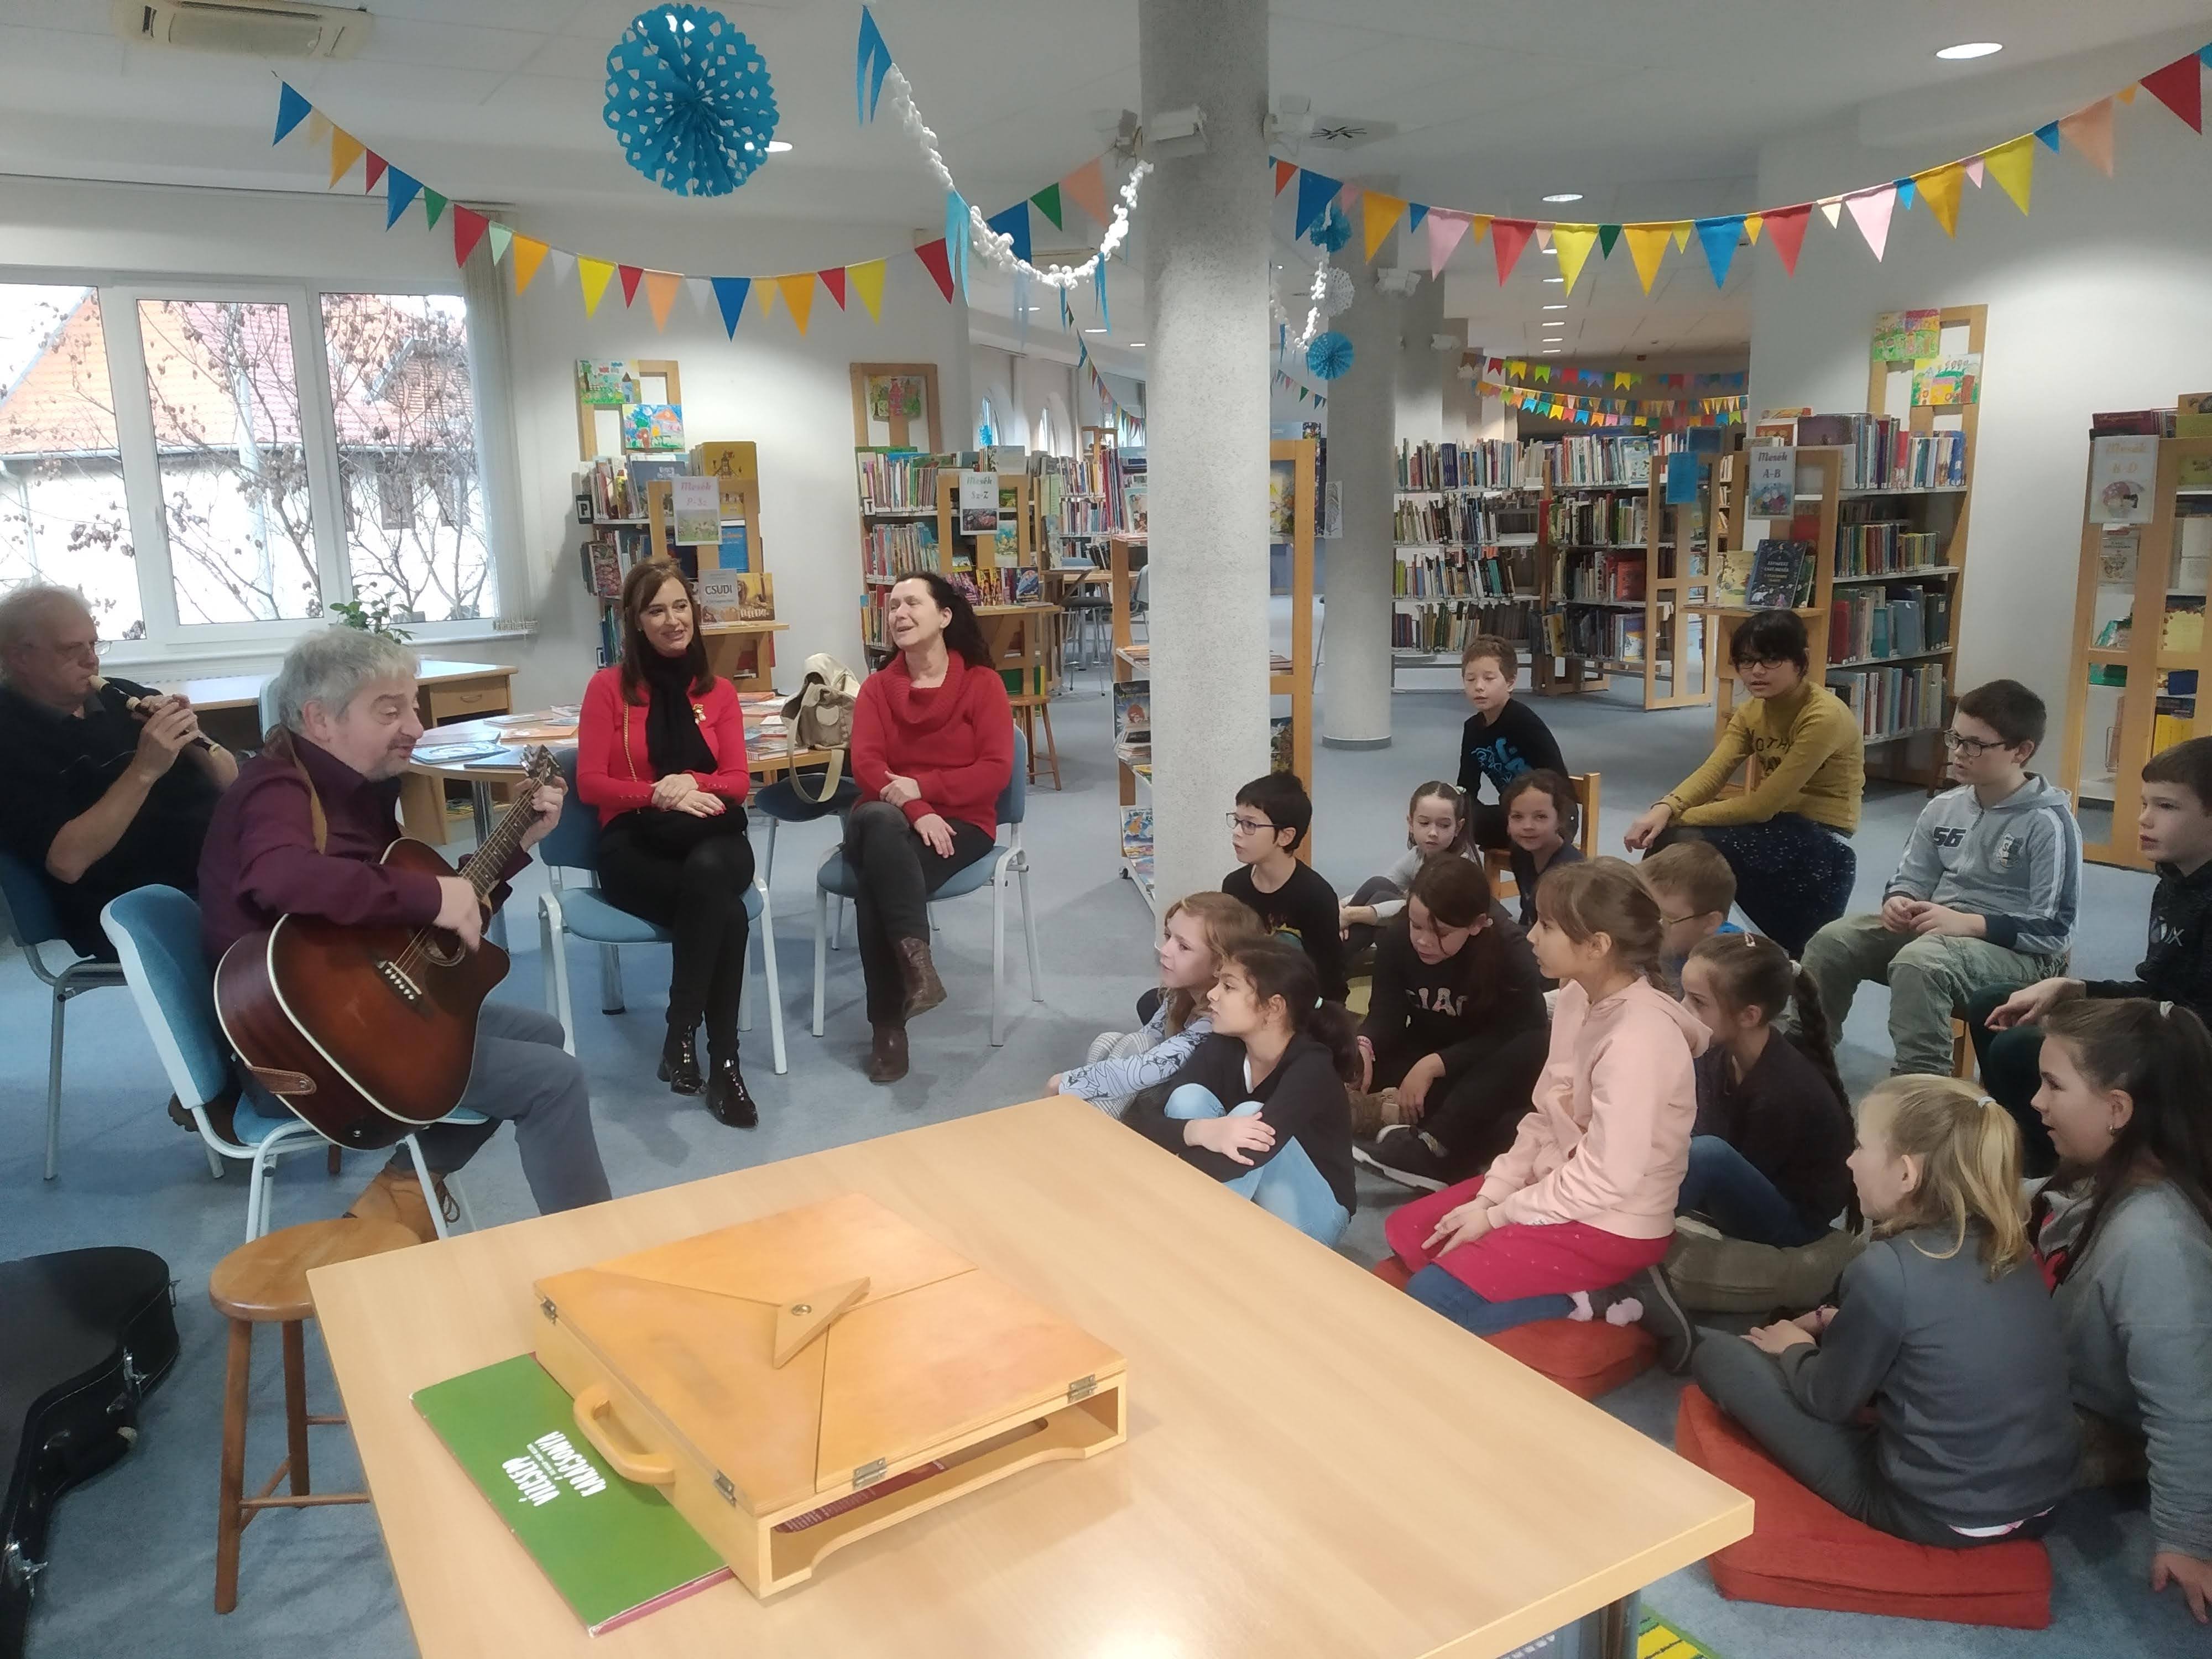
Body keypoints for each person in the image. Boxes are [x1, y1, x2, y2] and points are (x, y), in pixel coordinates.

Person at [198, 628, 611, 1238]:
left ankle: (397, 1200)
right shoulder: (279, 787)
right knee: (555, 1080)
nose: (415, 727)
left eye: (412, 707)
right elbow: (280, 877)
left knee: (543, 1034)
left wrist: (517, 841)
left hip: (357, 1002)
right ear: (320, 719)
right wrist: (434, 895)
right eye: (389, 711)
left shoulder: (354, 789)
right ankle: (594, 1252)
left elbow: (418, 912)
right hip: (309, 1052)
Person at [1692, 1075, 2080, 1548]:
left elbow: (1827, 1399)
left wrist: (1794, 1347)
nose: (1850, 1161)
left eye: (1860, 1146)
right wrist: (1832, 1323)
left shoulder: (1886, 1269)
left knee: (1717, 1354)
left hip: (1935, 1513)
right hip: (2044, 1505)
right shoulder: (2011, 1246)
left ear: (1906, 1174)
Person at [1383, 859, 1706, 1368]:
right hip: (1561, 1182)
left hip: (1614, 1221)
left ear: (1597, 946)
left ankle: (1609, 1295)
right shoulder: (1578, 996)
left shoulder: (1639, 1041)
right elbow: (1543, 1116)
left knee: (1430, 1299)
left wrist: (1498, 1216)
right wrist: (1492, 1193)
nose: (1531, 935)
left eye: (1548, 925)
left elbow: (1609, 1178)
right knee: (1414, 1234)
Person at [2030, 999, 2212, 1621]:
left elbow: (2188, 1409)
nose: (2036, 1101)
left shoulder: (2156, 1243)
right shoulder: (2106, 1170)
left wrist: (2188, 1540)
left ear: (2117, 1110)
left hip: (2107, 1421)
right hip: (2068, 1377)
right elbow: (2046, 1204)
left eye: (2053, 1085)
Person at [1803, 680, 2080, 1078]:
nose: (1958, 753)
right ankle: (1807, 1057)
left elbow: (2056, 930)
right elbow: (1911, 877)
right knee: (1834, 941)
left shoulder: (2049, 823)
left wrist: (1969, 924)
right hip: (1939, 933)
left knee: (1920, 964)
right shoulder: (1944, 806)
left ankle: (1923, 1084)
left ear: (2021, 751)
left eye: (1976, 745)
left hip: (2020, 956)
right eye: (1955, 738)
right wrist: (1899, 900)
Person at [1974, 737, 2212, 1176]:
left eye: (2167, 807)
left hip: (2190, 1051)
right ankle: (2040, 1152)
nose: (2144, 818)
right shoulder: (2175, 881)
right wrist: (2075, 989)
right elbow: (2158, 987)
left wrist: (2098, 1017)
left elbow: (2190, 1021)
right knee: (1997, 1003)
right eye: (2145, 803)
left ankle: (2066, 1173)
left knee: (2020, 1046)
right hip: (2165, 1020)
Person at [576, 561, 759, 1128]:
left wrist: (690, 782)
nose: (672, 620)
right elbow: (590, 783)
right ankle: (724, 1065)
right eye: (656, 610)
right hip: (633, 842)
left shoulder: (718, 692)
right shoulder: (609, 689)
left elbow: (737, 782)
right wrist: (657, 794)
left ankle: (680, 1034)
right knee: (725, 912)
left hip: (712, 833)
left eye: (681, 607)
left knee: (711, 876)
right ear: (635, 621)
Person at [0, 582, 237, 959]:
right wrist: (144, 770)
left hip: (222, 870)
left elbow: (231, 781)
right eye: (71, 649)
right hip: (135, 906)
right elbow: (67, 862)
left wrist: (193, 738)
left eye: (94, 645)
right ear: (20, 658)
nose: (91, 661)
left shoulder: (122, 695)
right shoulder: (11, 736)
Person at [846, 572, 1014, 1084]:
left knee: (876, 885)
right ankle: (918, 969)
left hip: (963, 824)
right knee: (879, 821)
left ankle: (887, 1028)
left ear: (944, 616)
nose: (899, 613)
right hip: (885, 817)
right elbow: (867, 768)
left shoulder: (982, 685)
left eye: (912, 603)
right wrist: (918, 808)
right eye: (893, 605)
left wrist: (924, 787)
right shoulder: (877, 688)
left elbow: (995, 771)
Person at [1624, 610, 1863, 957]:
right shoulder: (1752, 712)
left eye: (1771, 659)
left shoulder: (1823, 716)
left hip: (1822, 833)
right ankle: (1660, 938)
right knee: (1674, 837)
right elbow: (1713, 773)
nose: (1756, 672)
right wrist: (1665, 807)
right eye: (1747, 661)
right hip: (1778, 825)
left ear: (1801, 661)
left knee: (1681, 835)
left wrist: (1676, 817)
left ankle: (1643, 941)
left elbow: (1761, 806)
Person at [1124, 937, 1359, 1246]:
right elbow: (1146, 1122)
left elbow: (1247, 1154)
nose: (1212, 994)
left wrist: (1165, 1167)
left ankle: (1192, 1239)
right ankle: (1197, 1232)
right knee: (1188, 1098)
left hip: (1317, 1215)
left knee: (1249, 1120)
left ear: (1273, 1008)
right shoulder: (1223, 1044)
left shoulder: (1312, 1068)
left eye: (1229, 987)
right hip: (1244, 1186)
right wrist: (1199, 1131)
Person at [1352, 853, 1548, 1192]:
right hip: (1429, 1046)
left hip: (1488, 1060)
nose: (1423, 940)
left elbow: (1521, 1037)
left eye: (1441, 932)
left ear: (1477, 924)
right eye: (1416, 925)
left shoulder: (1510, 953)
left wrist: (1437, 1064)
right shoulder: (1397, 941)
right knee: (1347, 1064)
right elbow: (1386, 1015)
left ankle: (1434, 1145)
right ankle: (1416, 1125)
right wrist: (1363, 1046)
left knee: (1513, 1071)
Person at [1674, 933, 1853, 1247]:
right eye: (1684, 996)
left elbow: (1731, 1169)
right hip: (1742, 1181)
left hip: (1790, 1218)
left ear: (1749, 1016)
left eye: (1698, 1002)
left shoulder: (1783, 1092)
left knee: (1708, 1155)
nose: (1681, 1009)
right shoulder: (1714, 1051)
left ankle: (1620, 1232)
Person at [1051, 891, 1262, 1119]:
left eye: (1183, 947)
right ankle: (1084, 1123)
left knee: (1132, 1052)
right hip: (1162, 1090)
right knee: (1110, 1041)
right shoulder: (1179, 995)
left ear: (1220, 964)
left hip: (1191, 1112)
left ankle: (1086, 1127)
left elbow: (1150, 1067)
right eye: (1168, 936)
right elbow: (1147, 1041)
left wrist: (1064, 1083)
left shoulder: (1218, 1017)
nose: (1166, 951)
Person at [1222, 770, 1348, 1003]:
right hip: (1246, 998)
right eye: (1237, 821)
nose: (1237, 832)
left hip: (1295, 1006)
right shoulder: (1234, 885)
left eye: (1250, 824)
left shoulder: (1315, 896)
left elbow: (1330, 980)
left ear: (1285, 836)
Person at [1338, 780, 1473, 964]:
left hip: (1437, 942)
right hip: (1414, 931)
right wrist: (1341, 907)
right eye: (1424, 823)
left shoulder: (1458, 867)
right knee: (1378, 884)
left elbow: (1412, 909)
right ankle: (1334, 952)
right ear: (1411, 823)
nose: (1433, 832)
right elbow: (1384, 883)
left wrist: (1351, 915)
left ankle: (1332, 958)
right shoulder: (1418, 854)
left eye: (1443, 826)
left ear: (1458, 828)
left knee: (1383, 901)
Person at [1457, 635, 1566, 848]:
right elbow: (1467, 787)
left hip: (1551, 813)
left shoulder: (1523, 721)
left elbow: (1558, 782)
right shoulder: (1472, 729)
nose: (1479, 687)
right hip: (1513, 813)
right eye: (1471, 679)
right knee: (1447, 818)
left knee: (1459, 824)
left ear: (1510, 682)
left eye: (1489, 679)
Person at [1641, 839, 1740, 993]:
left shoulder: (1731, 971)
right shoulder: (1662, 944)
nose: (1645, 927)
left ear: (1710, 923)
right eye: (1643, 910)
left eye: (1663, 919)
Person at [1500, 769, 1583, 929]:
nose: (1528, 826)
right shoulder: (1520, 853)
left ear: (1560, 820)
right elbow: (1529, 914)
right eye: (1517, 817)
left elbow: (1566, 933)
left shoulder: (1569, 872)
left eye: (1541, 817)